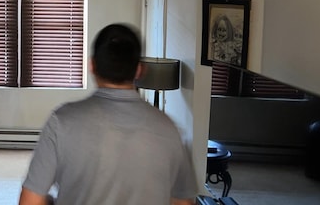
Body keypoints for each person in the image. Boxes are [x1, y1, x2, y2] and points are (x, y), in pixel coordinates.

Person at [19, 23, 198, 205]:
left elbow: (29, 202)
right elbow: (184, 202)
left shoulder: (61, 121)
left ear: (92, 66)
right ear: (139, 70)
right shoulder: (169, 129)